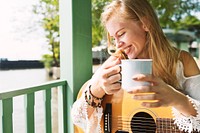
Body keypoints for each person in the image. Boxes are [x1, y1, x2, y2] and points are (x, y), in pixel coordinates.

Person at [71, 0, 200, 132]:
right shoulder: (116, 63)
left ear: (145, 24)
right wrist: (97, 90)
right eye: (114, 38)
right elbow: (77, 119)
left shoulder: (182, 62)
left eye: (121, 34)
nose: (117, 45)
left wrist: (177, 99)